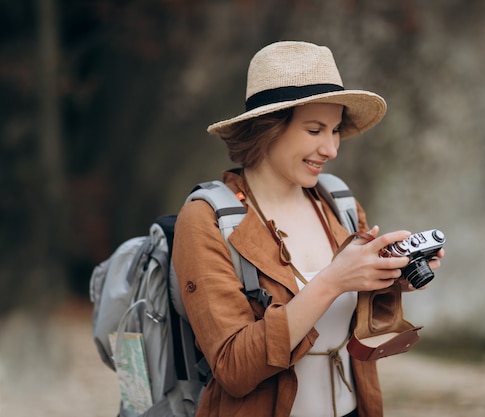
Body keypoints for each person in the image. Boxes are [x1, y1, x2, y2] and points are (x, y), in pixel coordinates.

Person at [172, 41, 444, 417]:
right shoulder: (207, 218)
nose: (331, 149)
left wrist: (392, 277)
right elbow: (233, 368)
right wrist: (332, 281)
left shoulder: (338, 202)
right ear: (267, 129)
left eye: (334, 131)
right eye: (315, 130)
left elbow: (357, 313)